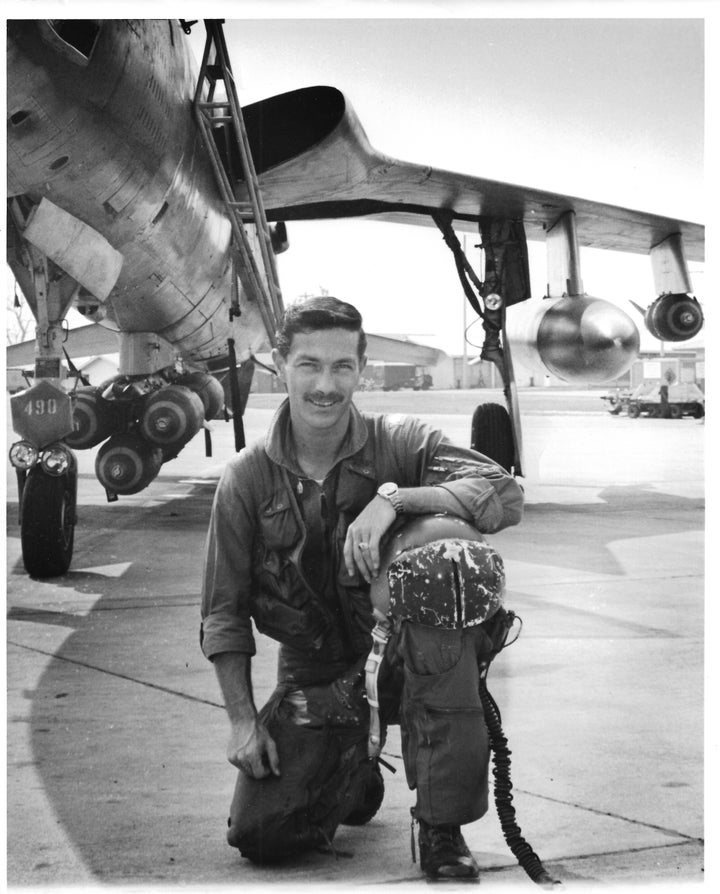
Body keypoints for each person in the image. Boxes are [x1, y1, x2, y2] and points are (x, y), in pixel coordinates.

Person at [200, 296, 524, 880]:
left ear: (362, 367)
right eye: (309, 365)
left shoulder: (399, 442)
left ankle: (441, 828)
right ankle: (354, 765)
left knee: (440, 569)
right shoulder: (246, 480)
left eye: (342, 367)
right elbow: (222, 615)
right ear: (280, 363)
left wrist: (397, 498)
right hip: (317, 677)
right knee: (263, 834)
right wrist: (244, 722)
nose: (326, 385)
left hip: (408, 659)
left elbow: (501, 492)